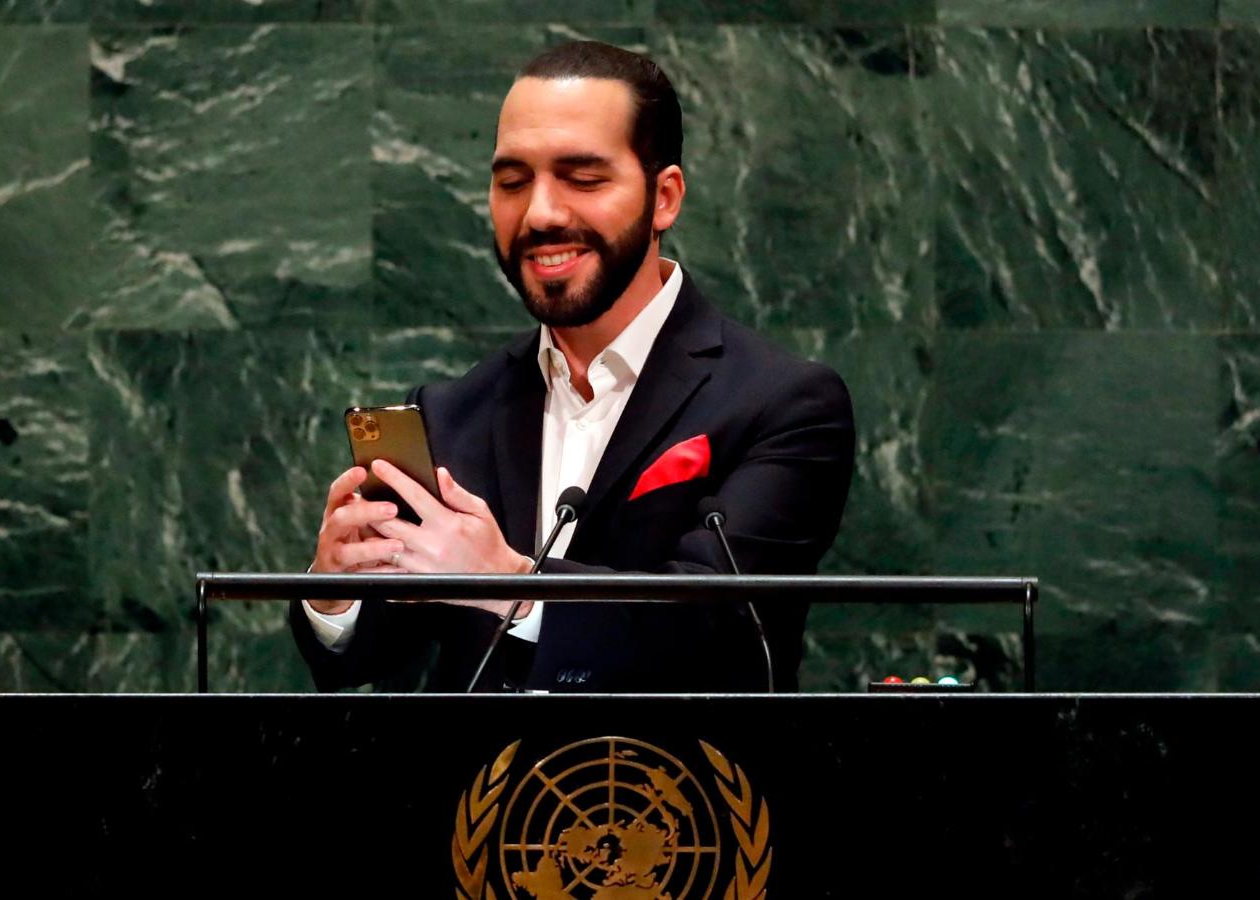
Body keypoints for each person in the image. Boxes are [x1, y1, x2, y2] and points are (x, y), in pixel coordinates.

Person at [288, 40, 854, 693]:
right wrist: (334, 593)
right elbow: (366, 657)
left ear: (665, 198)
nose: (540, 214)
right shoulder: (449, 414)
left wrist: (510, 586)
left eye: (582, 179)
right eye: (512, 182)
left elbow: (723, 626)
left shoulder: (785, 403)